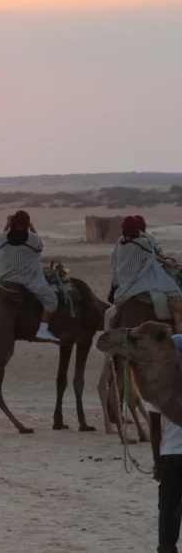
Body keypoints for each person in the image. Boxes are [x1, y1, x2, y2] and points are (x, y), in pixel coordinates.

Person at [0, 210, 59, 343]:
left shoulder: (4, 237)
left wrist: (7, 225)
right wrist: (32, 227)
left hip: (4, 280)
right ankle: (43, 331)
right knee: (51, 300)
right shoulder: (32, 238)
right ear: (26, 224)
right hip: (27, 280)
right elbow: (39, 247)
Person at [111, 215, 182, 327]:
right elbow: (156, 253)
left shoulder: (119, 244)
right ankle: (178, 326)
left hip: (123, 284)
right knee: (175, 291)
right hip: (140, 280)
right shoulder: (143, 242)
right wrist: (169, 263)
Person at [149, 334, 182, 553]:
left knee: (169, 509)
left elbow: (154, 428)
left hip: (171, 455)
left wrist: (157, 461)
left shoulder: (157, 385)